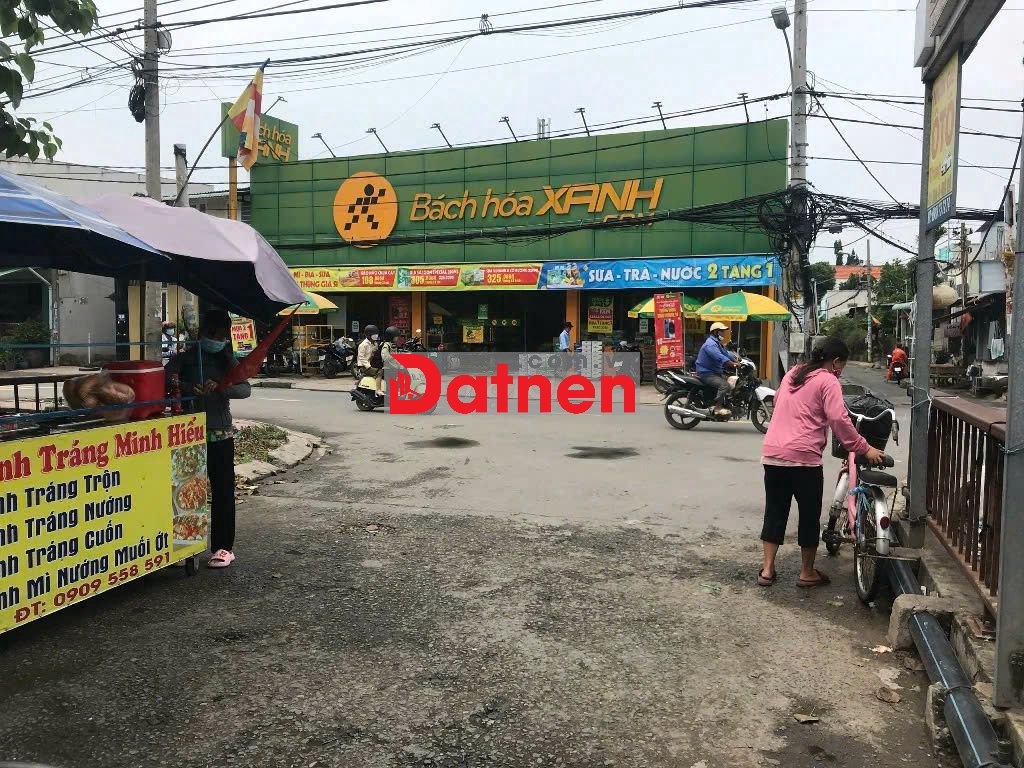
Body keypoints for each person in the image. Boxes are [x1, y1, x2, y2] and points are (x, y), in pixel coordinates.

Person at [757, 336, 886, 588]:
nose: (841, 371)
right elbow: (838, 418)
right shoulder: (828, 380)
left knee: (774, 511)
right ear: (835, 361)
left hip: (773, 454)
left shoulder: (793, 373)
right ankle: (807, 573)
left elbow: (780, 402)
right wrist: (863, 447)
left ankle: (767, 571)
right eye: (842, 366)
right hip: (804, 459)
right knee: (809, 515)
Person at [165, 310, 251, 569]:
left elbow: (245, 390)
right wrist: (187, 387)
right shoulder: (185, 358)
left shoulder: (228, 361)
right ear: (201, 333)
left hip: (220, 432)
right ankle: (186, 545)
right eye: (211, 334)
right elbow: (166, 379)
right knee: (187, 490)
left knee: (222, 490)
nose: (215, 339)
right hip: (189, 432)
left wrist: (222, 387)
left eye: (220, 335)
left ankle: (224, 547)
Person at [696, 322, 738, 417]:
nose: (723, 333)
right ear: (715, 332)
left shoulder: (716, 343)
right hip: (707, 373)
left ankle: (725, 403)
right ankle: (717, 407)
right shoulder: (710, 344)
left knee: (731, 382)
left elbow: (725, 353)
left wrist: (736, 360)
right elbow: (719, 356)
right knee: (724, 385)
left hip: (714, 372)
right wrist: (732, 363)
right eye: (721, 331)